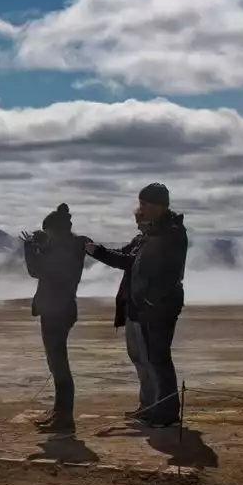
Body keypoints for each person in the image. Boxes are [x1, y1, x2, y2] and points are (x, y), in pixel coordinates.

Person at [87, 183, 189, 428]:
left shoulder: (171, 232)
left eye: (145, 204)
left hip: (158, 309)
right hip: (137, 307)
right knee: (141, 358)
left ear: (160, 206)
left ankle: (166, 413)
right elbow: (126, 259)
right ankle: (149, 406)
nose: (139, 208)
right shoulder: (147, 234)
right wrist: (95, 250)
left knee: (158, 359)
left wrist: (151, 300)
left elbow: (171, 273)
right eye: (140, 203)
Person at [21, 203, 90, 435]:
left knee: (59, 366)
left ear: (55, 231)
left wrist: (31, 249)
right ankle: (60, 412)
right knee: (56, 364)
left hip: (57, 311)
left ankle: (65, 418)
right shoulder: (68, 247)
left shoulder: (66, 250)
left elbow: (38, 271)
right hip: (58, 310)